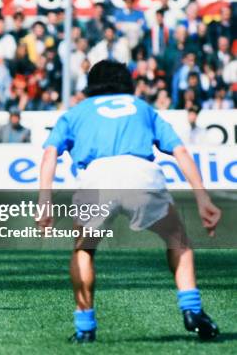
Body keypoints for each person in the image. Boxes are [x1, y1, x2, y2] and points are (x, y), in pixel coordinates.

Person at [38, 60, 221, 343]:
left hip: (96, 177)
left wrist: (45, 201)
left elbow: (50, 154)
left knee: (84, 250)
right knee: (178, 241)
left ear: (90, 87)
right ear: (127, 83)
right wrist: (202, 198)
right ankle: (192, 310)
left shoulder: (76, 112)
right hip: (141, 174)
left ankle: (85, 326)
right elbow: (180, 150)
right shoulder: (142, 108)